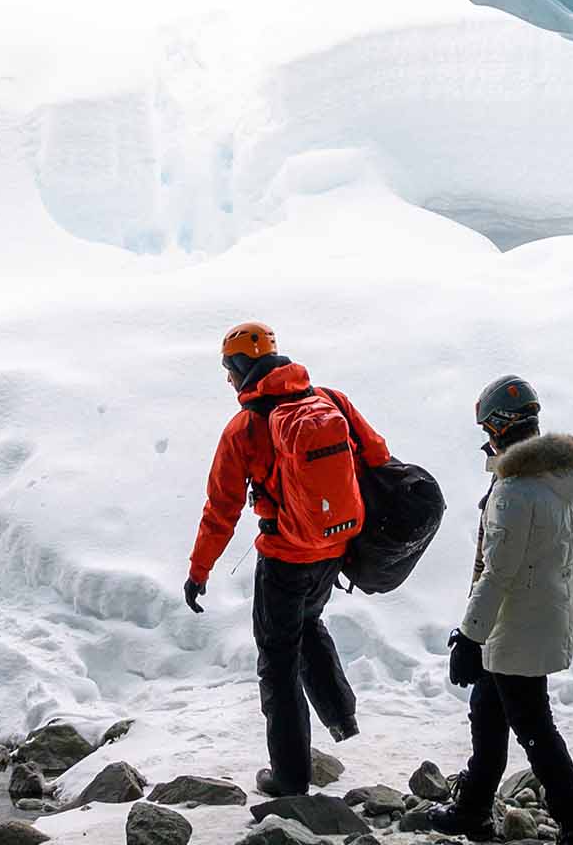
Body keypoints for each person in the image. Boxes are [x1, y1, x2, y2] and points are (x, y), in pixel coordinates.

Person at [184, 321, 396, 796]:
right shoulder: (331, 401)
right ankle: (341, 718)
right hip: (336, 548)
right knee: (309, 622)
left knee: (277, 663)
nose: (228, 380)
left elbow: (221, 509)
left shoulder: (245, 428)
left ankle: (290, 776)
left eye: (228, 369)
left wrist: (199, 572)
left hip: (284, 556)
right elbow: (378, 456)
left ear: (241, 367)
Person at [423, 375, 573, 845]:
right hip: (545, 617)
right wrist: (546, 555)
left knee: (534, 728)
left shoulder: (513, 490)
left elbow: (496, 574)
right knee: (487, 709)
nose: (486, 440)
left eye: (488, 430)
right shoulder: (570, 476)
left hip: (514, 628)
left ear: (501, 429)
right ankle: (473, 809)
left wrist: (469, 636)